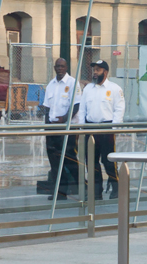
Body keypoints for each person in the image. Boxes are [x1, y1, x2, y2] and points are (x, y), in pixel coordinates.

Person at [76, 59, 125, 199]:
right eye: (94, 70)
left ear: (106, 72)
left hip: (106, 128)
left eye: (98, 70)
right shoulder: (87, 89)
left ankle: (116, 187)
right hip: (90, 127)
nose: (95, 73)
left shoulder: (115, 89)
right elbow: (82, 109)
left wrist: (114, 129)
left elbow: (119, 110)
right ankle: (96, 190)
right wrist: (82, 128)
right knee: (91, 161)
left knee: (108, 160)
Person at [40, 57, 78, 198]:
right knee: (54, 162)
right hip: (52, 129)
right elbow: (46, 108)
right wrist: (46, 128)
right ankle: (60, 192)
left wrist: (65, 119)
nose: (60, 69)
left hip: (67, 128)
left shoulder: (72, 83)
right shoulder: (51, 85)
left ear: (66, 67)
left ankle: (84, 187)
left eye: (62, 66)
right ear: (55, 68)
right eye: (58, 66)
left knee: (70, 160)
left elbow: (76, 105)